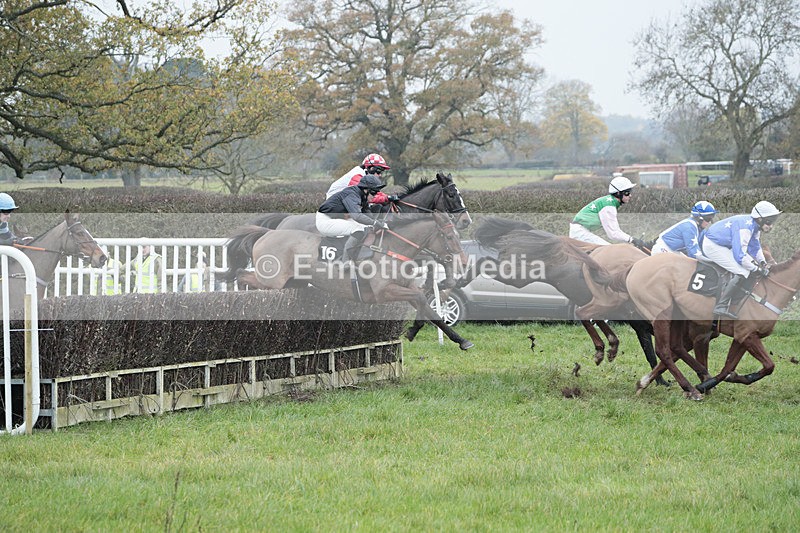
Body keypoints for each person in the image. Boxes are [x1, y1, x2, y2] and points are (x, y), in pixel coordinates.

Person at [701, 200, 781, 319]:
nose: (771, 226)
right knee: (743, 271)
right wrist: (757, 269)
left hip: (724, 245)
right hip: (713, 245)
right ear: (759, 219)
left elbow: (755, 246)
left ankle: (737, 299)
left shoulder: (754, 226)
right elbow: (740, 256)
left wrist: (762, 262)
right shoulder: (745, 228)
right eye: (769, 222)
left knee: (750, 268)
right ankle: (721, 306)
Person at [316, 174, 389, 262]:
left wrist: (378, 222)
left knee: (366, 228)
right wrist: (375, 223)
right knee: (358, 229)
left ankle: (359, 254)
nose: (375, 195)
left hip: (336, 218)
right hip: (325, 221)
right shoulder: (352, 194)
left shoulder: (362, 196)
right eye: (373, 192)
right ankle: (345, 261)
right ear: (366, 190)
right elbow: (357, 216)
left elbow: (367, 214)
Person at [570, 175, 645, 248]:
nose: (630, 195)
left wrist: (631, 240)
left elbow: (614, 231)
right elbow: (613, 234)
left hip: (581, 231)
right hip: (579, 233)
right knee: (610, 250)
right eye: (627, 192)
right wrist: (632, 240)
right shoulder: (608, 205)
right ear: (619, 193)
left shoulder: (609, 202)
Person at [651, 201, 717, 258]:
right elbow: (694, 253)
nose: (710, 222)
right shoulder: (689, 227)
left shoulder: (700, 229)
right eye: (708, 219)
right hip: (663, 249)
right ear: (699, 218)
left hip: (674, 251)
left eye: (711, 219)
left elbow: (705, 246)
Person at [326, 153, 394, 207]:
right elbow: (368, 196)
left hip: (346, 201)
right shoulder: (357, 176)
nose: (380, 175)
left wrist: (388, 197)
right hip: (335, 205)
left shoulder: (364, 175)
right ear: (371, 168)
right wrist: (386, 198)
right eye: (379, 172)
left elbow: (375, 192)